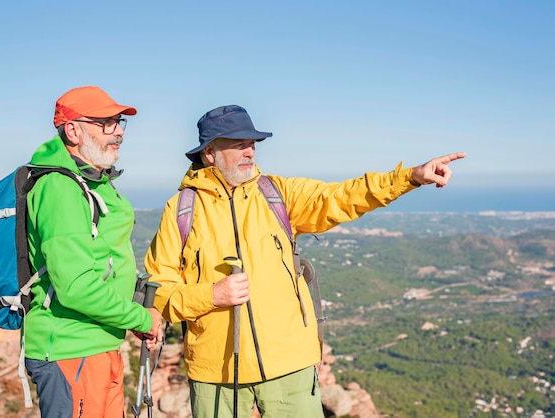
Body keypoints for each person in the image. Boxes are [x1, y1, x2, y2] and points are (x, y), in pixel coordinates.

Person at [144, 104, 466, 418]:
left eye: (253, 144)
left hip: (290, 363)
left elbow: (342, 196)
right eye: (239, 144)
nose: (250, 152)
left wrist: (410, 177)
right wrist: (212, 295)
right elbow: (159, 290)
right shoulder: (181, 210)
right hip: (216, 373)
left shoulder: (278, 194)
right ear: (210, 152)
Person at [24, 86, 162, 418]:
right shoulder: (60, 188)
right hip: (71, 349)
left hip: (96, 346)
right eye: (105, 123)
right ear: (73, 129)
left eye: (118, 122)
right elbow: (76, 287)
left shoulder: (91, 181)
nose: (117, 132)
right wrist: (141, 318)